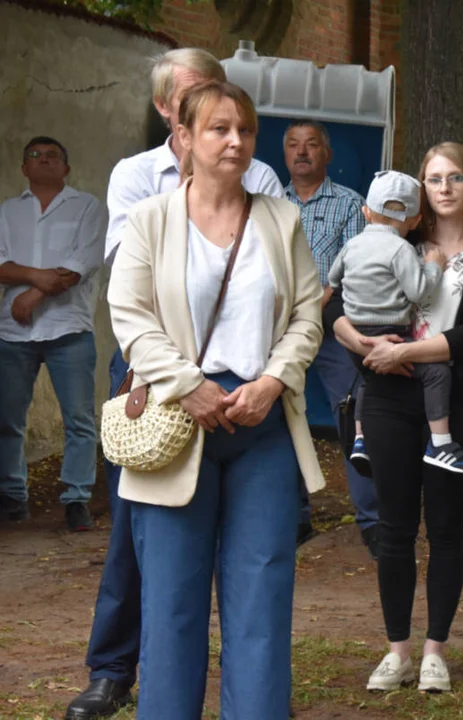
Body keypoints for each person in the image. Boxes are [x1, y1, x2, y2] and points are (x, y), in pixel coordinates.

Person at [66, 47, 284, 720]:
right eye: (199, 104)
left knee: (256, 572)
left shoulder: (265, 183)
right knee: (145, 546)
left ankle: (249, 696)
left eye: (233, 114)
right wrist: (184, 380)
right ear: (170, 113)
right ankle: (114, 670)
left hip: (251, 397)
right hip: (154, 380)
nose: (224, 126)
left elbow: (287, 291)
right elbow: (135, 295)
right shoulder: (137, 179)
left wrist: (269, 378)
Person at [106, 80, 324, 720]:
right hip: (177, 423)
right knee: (170, 607)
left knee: (261, 603)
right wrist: (188, 386)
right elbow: (130, 317)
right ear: (184, 140)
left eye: (245, 130)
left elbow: (307, 316)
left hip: (261, 427)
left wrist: (273, 381)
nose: (235, 142)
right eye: (218, 129)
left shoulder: (280, 218)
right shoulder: (150, 220)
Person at [325, 142, 463, 693]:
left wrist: (402, 352)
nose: (446, 188)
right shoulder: (398, 239)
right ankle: (396, 651)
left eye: (457, 177)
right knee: (394, 526)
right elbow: (336, 301)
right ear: (421, 190)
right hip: (386, 395)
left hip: (456, 400)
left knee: (447, 526)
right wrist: (355, 339)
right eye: (434, 179)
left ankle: (435, 651)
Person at [328, 169, 463, 473]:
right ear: (415, 220)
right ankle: (441, 442)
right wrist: (433, 266)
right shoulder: (401, 249)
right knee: (436, 373)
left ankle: (360, 438)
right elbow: (418, 290)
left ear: (366, 211)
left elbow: (333, 279)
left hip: (357, 334)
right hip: (390, 333)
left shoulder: (352, 245)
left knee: (369, 375)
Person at [0, 137, 105, 531]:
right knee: (7, 418)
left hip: (69, 329)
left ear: (66, 168)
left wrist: (31, 295)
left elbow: (83, 263)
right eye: (34, 156)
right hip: (13, 333)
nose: (44, 160)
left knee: (78, 420)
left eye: (53, 156)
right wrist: (38, 277)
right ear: (24, 168)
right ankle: (12, 496)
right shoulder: (8, 211)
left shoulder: (87, 207)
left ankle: (76, 498)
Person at [282, 119, 378, 549]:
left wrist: (313, 306)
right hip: (276, 333)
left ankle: (373, 520)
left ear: (328, 154)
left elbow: (354, 271)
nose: (302, 152)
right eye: (293, 145)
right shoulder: (268, 204)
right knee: (282, 419)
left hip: (333, 327)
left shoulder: (349, 204)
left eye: (312, 145)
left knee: (353, 417)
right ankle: (294, 516)